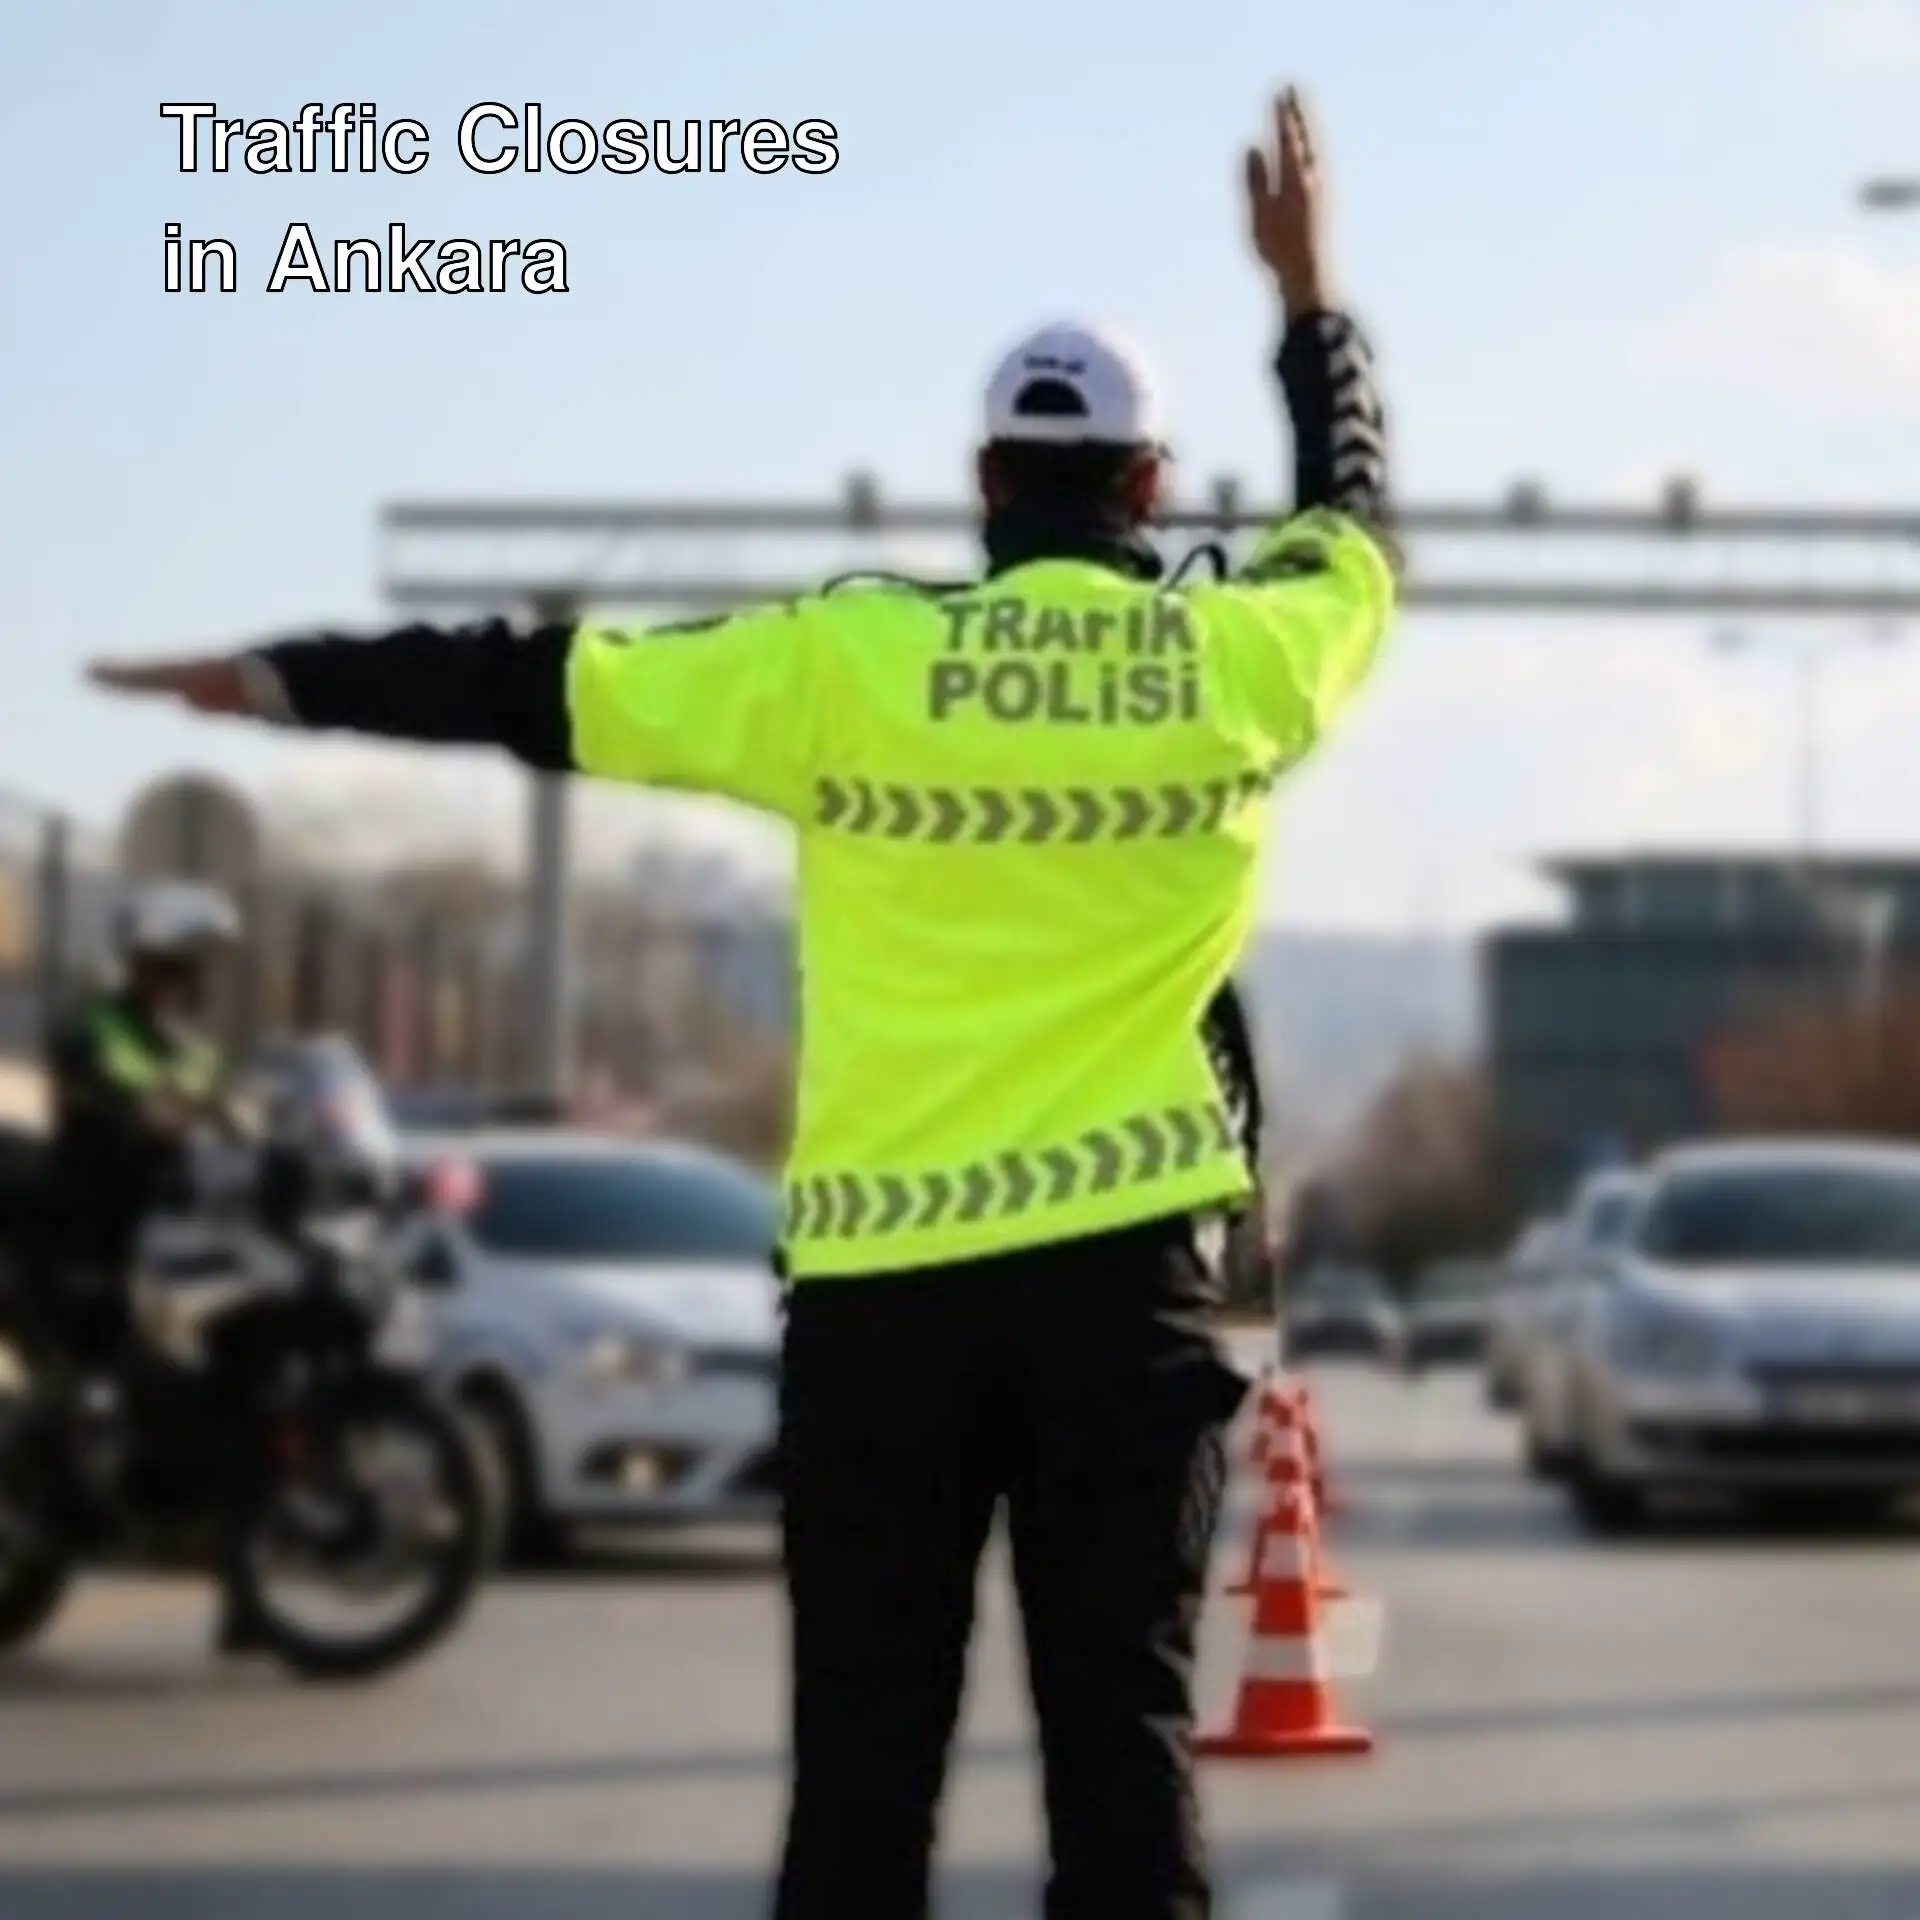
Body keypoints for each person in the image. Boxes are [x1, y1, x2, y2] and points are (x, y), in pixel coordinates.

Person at [90, 84, 1395, 1918]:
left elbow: (526, 683)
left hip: (882, 1307)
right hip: (1132, 1295)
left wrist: (276, 680)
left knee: (861, 1781)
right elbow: (1357, 521)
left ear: (983, 486)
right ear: (1152, 491)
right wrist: (1307, 298)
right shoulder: (1241, 659)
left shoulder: (843, 665)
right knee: (1127, 1759)